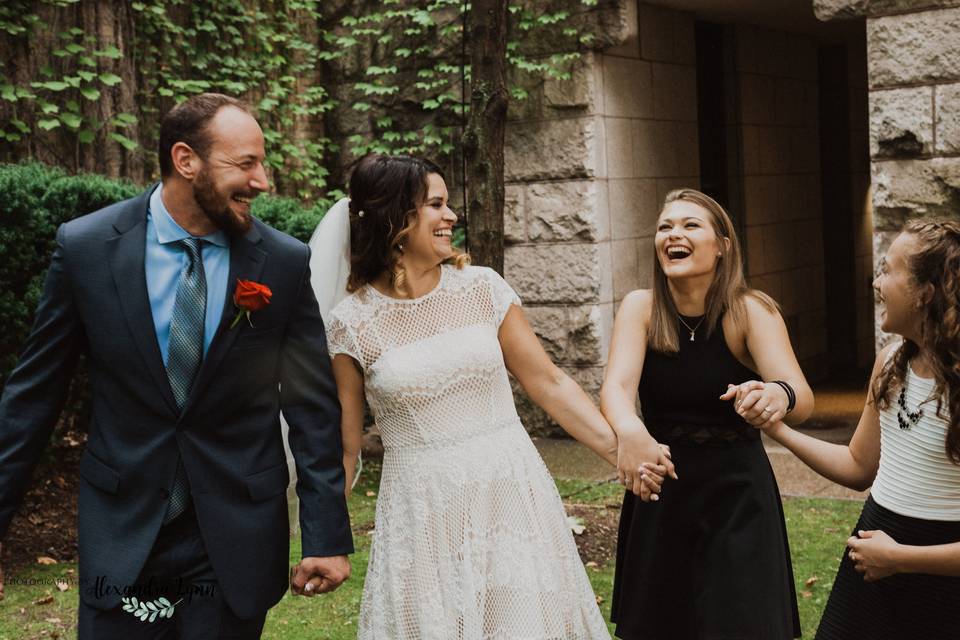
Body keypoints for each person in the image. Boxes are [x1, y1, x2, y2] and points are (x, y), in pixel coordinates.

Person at [0, 93, 352, 638]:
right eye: (245, 164)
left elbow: (310, 405)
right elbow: (33, 397)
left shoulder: (281, 262)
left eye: (262, 162)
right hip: (125, 530)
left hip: (235, 534)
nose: (263, 181)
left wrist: (325, 536)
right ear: (186, 161)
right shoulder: (88, 248)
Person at [313, 153, 623, 638]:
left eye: (448, 203)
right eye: (435, 205)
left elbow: (549, 382)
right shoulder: (351, 324)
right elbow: (347, 449)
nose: (451, 216)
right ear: (396, 218)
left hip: (510, 497)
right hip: (422, 514)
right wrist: (324, 539)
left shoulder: (482, 290)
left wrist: (620, 453)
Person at [600, 188, 812, 639]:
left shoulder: (750, 310)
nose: (673, 234)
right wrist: (628, 431)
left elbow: (801, 394)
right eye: (665, 227)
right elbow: (617, 387)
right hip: (660, 495)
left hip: (737, 498)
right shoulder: (640, 307)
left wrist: (778, 394)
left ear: (722, 246)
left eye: (690, 225)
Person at [750, 219, 960, 640]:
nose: (876, 282)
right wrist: (779, 431)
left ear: (926, 293)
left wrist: (901, 558)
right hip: (872, 557)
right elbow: (858, 464)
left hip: (939, 574)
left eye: (887, 270)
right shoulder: (890, 363)